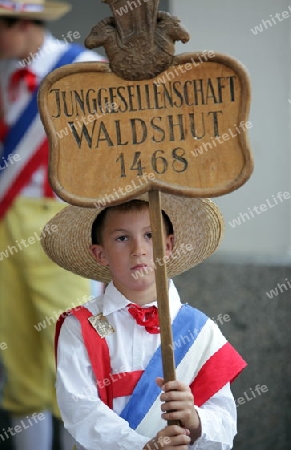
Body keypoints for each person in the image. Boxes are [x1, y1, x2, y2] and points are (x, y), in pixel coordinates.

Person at [41, 192, 247, 450]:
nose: (138, 250)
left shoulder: (201, 330)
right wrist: (143, 447)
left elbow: (225, 424)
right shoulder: (80, 326)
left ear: (169, 246)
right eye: (122, 238)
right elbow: (79, 409)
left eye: (150, 236)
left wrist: (195, 421)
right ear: (100, 254)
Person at [0, 2, 104, 450]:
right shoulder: (2, 71)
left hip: (60, 223)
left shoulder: (83, 69)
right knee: (16, 355)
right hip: (5, 221)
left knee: (72, 358)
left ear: (21, 23)